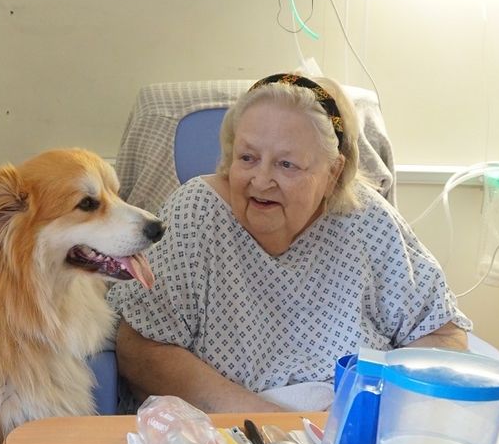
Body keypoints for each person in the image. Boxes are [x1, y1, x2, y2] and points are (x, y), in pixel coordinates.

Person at [108, 73, 471, 414]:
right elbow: (142, 352)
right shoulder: (196, 214)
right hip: (230, 434)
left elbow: (441, 332)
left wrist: (374, 414)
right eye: (247, 158)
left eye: (286, 165)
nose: (261, 180)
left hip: (351, 435)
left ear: (332, 173)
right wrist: (275, 425)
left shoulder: (365, 218)